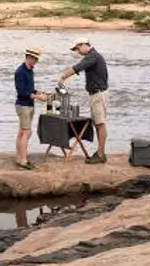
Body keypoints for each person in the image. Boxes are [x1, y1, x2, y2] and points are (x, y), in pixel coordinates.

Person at [59, 36, 109, 164]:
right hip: (95, 94)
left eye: (77, 49)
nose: (77, 52)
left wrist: (63, 77)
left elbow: (78, 67)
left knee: (100, 123)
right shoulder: (93, 56)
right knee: (97, 123)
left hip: (98, 94)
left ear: (83, 45)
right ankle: (100, 152)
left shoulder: (93, 56)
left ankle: (101, 153)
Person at [13, 46, 49, 170]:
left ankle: (19, 157)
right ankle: (23, 160)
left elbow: (30, 89)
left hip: (28, 105)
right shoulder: (20, 72)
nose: (35, 61)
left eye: (36, 59)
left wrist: (40, 92)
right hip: (23, 106)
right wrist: (38, 97)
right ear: (28, 57)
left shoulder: (30, 71)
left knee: (22, 132)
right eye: (33, 59)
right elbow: (21, 92)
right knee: (26, 132)